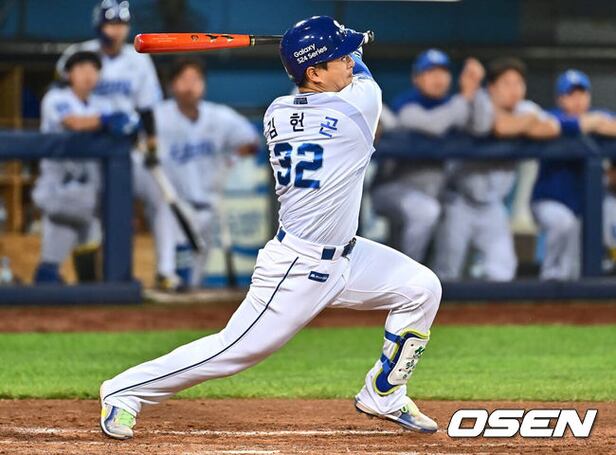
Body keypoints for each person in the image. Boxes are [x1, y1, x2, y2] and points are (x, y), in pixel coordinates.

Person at [100, 16, 442, 440]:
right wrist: (349, 45)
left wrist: (325, 45)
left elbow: (339, 68)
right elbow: (362, 70)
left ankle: (384, 393)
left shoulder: (277, 111)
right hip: (298, 267)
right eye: (338, 58)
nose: (348, 63)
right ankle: (124, 390)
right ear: (313, 73)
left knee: (421, 287)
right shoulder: (357, 108)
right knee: (231, 351)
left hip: (349, 255)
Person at [56, 0, 180, 290]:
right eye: (111, 24)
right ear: (99, 25)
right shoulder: (78, 55)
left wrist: (152, 145)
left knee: (160, 197)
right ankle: (88, 281)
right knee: (89, 214)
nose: (116, 30)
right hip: (86, 148)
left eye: (121, 24)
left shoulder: (138, 58)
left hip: (127, 146)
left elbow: (146, 107)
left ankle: (166, 270)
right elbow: (60, 96)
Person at [433, 58, 560, 281]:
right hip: (459, 202)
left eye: (519, 83)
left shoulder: (525, 108)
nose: (514, 90)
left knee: (503, 272)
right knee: (446, 273)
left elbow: (552, 127)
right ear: (491, 87)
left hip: (492, 207)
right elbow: (498, 126)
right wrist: (526, 123)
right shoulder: (477, 101)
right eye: (507, 83)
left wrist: (521, 122)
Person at [371, 49, 491, 262]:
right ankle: (408, 274)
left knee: (438, 217)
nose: (438, 78)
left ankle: (438, 275)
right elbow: (436, 125)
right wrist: (465, 97)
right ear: (416, 78)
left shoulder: (454, 105)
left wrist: (476, 88)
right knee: (425, 211)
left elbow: (482, 127)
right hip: (392, 188)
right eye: (430, 72)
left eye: (443, 72)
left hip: (435, 192)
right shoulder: (406, 104)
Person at [32, 51, 138, 283]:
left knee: (83, 246)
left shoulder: (102, 103)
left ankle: (86, 293)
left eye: (93, 69)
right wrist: (106, 121)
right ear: (69, 74)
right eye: (80, 69)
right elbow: (74, 122)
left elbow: (128, 124)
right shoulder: (56, 98)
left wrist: (127, 124)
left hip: (88, 192)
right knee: (58, 254)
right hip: (59, 188)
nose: (88, 75)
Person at [154, 58, 259, 288]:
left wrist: (232, 156)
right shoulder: (157, 116)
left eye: (196, 79)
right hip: (173, 206)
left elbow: (252, 140)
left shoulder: (219, 116)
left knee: (194, 283)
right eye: (183, 79)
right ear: (172, 84)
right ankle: (166, 276)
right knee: (171, 278)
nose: (190, 86)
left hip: (209, 206)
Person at [532, 69, 616, 280]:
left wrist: (597, 123)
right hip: (549, 200)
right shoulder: (550, 116)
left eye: (582, 93)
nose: (577, 99)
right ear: (560, 99)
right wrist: (589, 124)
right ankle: (548, 276)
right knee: (563, 223)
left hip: (582, 208)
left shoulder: (598, 115)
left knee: (574, 269)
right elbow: (551, 125)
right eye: (571, 94)